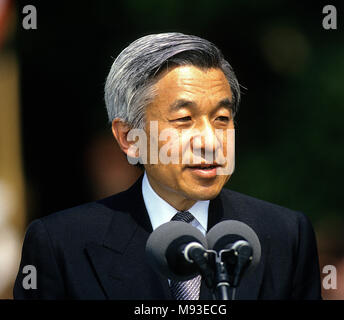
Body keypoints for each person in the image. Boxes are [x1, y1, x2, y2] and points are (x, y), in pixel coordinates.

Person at [13, 33, 321, 299]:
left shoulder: (284, 236)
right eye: (184, 120)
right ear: (129, 137)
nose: (210, 141)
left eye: (222, 119)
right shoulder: (62, 244)